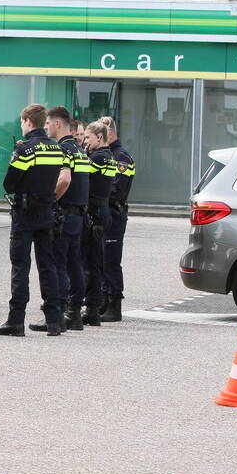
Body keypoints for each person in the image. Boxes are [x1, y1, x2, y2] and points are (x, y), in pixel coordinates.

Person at [0, 104, 68, 337]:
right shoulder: (57, 149)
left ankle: (15, 321)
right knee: (48, 267)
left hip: (25, 214)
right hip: (47, 212)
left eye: (21, 122)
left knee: (20, 267)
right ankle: (54, 321)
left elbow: (10, 184)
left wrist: (17, 155)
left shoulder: (26, 149)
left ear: (28, 122)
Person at [31, 106, 91, 332]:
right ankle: (74, 312)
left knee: (57, 265)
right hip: (77, 215)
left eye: (47, 124)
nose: (46, 127)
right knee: (74, 263)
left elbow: (64, 181)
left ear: (57, 124)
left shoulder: (62, 150)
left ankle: (58, 312)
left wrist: (49, 199)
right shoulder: (79, 149)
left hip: (64, 214)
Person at [98, 116, 136, 323]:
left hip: (114, 213)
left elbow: (117, 190)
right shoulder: (104, 154)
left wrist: (95, 194)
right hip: (103, 213)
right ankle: (103, 300)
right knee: (101, 260)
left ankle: (115, 305)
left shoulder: (121, 157)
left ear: (111, 134)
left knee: (111, 261)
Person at [82, 121, 118, 326]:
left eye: (88, 137)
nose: (86, 141)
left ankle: (91, 308)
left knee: (89, 263)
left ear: (99, 137)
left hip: (93, 212)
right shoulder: (109, 157)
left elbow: (81, 179)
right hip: (101, 211)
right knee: (94, 262)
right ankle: (93, 308)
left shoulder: (97, 158)